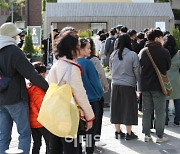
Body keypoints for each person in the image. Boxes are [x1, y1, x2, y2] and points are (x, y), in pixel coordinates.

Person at [0, 22, 49, 154]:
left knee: (3, 136)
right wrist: (47, 87)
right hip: (16, 99)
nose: (18, 37)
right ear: (12, 36)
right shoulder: (13, 51)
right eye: (16, 34)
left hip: (1, 100)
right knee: (24, 134)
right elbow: (31, 73)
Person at [48, 32, 95, 154]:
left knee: (55, 149)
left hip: (55, 113)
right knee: (72, 149)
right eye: (78, 45)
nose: (79, 48)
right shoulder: (72, 67)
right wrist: (90, 116)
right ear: (72, 48)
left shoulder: (57, 64)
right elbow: (80, 94)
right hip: (68, 114)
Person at [139, 29, 171, 143]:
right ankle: (160, 136)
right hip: (159, 86)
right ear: (157, 38)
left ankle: (147, 135)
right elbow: (167, 67)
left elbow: (140, 67)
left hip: (146, 86)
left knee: (146, 110)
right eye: (161, 37)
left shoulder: (143, 51)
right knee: (160, 111)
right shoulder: (164, 52)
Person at [109, 34, 140, 140]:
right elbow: (137, 71)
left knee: (116, 109)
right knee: (128, 109)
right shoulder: (133, 55)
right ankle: (129, 133)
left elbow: (110, 69)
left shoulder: (113, 54)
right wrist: (139, 86)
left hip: (115, 85)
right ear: (129, 42)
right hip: (128, 85)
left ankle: (117, 132)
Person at [77, 38, 104, 154]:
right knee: (90, 130)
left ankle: (78, 150)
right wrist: (101, 93)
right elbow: (96, 82)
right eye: (88, 48)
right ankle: (89, 150)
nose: (90, 50)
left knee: (78, 130)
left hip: (76, 101)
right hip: (92, 100)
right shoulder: (87, 63)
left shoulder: (71, 62)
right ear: (81, 49)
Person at [87, 38, 109, 145]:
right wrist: (105, 87)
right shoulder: (94, 60)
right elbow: (101, 75)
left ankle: (85, 141)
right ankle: (95, 139)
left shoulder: (76, 60)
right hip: (95, 94)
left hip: (83, 94)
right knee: (97, 117)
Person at [27, 62, 49, 154]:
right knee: (50, 143)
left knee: (36, 143)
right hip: (41, 122)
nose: (44, 76)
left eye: (44, 74)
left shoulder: (29, 86)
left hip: (32, 122)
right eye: (42, 74)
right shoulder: (38, 90)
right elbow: (42, 106)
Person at [163, 34, 180, 126]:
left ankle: (165, 120)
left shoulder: (163, 52)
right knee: (177, 100)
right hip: (177, 79)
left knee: (165, 100)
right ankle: (177, 120)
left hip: (165, 79)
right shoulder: (178, 53)